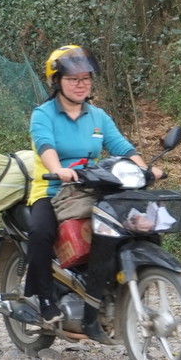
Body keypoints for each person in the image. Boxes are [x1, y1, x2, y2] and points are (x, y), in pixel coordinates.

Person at [25, 45, 161, 343]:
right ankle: (45, 300)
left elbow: (123, 148)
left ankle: (103, 293)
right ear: (56, 81)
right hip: (53, 189)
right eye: (73, 79)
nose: (81, 84)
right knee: (40, 232)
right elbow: (45, 146)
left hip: (92, 189)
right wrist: (57, 169)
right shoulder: (42, 115)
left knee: (132, 228)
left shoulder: (98, 116)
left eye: (86, 78)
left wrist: (146, 170)